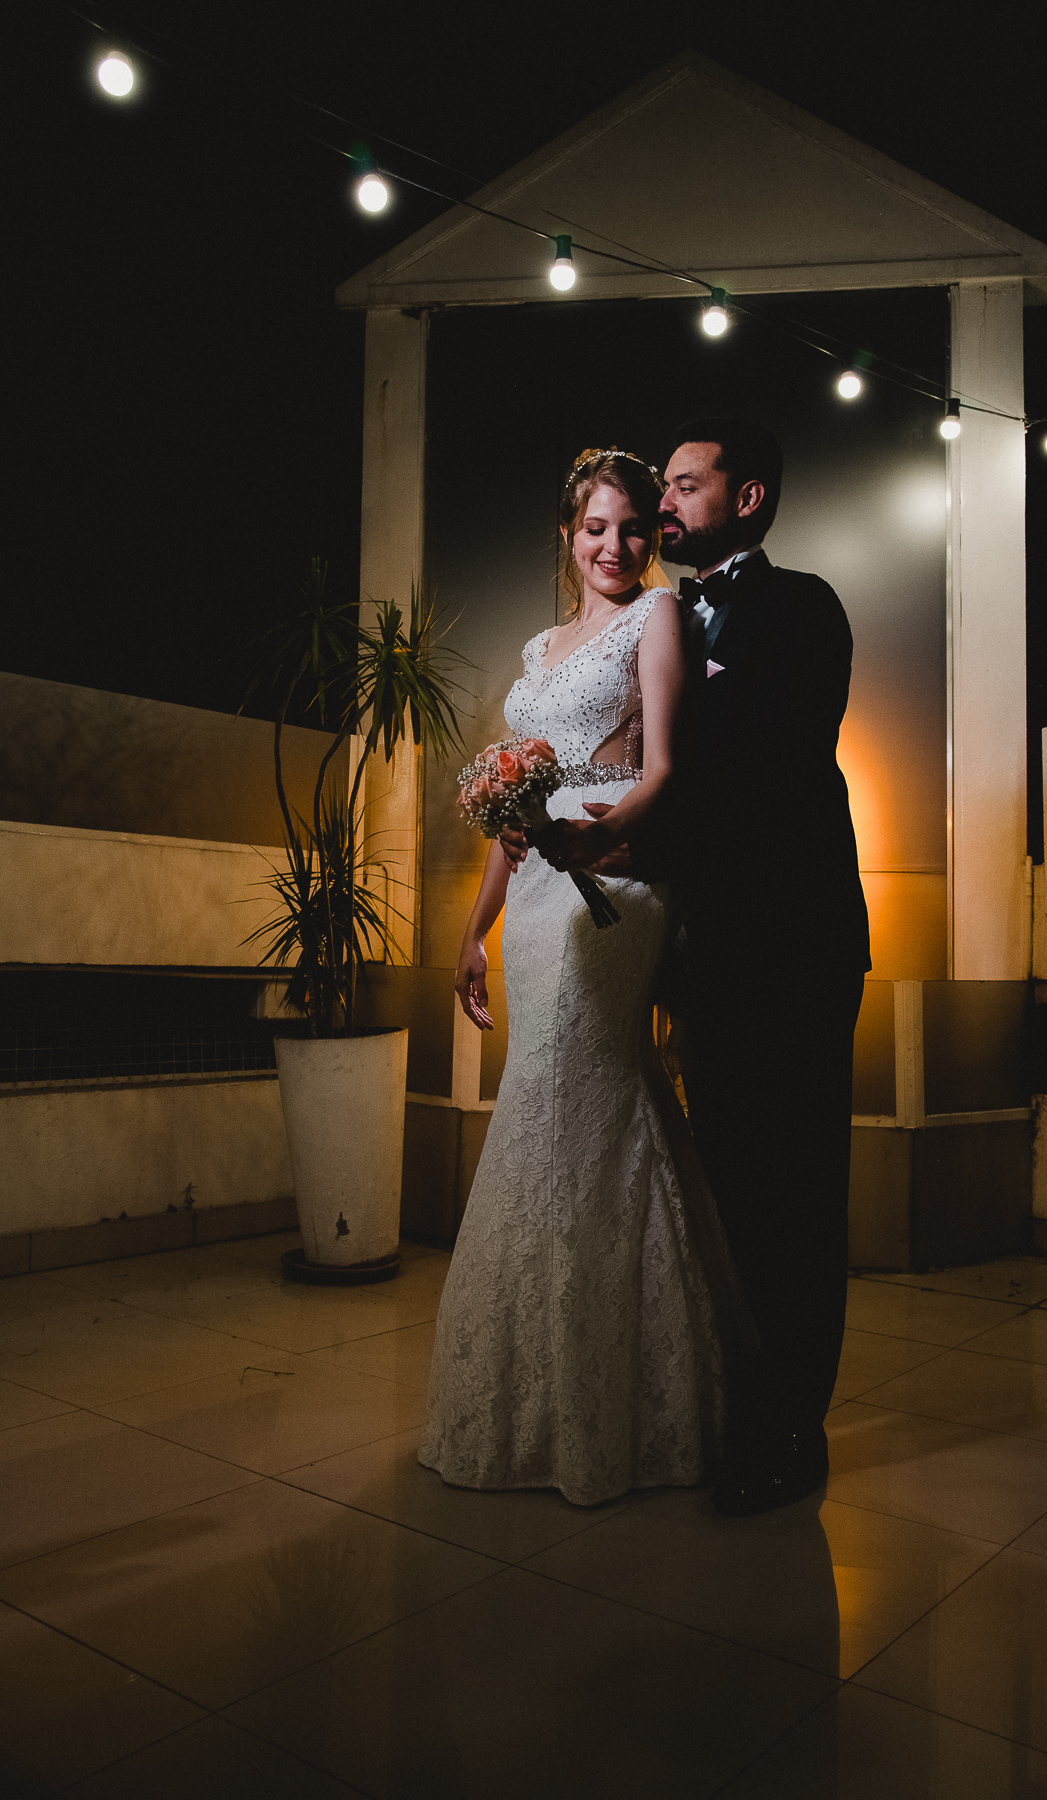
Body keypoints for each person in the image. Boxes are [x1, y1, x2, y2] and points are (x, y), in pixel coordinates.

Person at [419, 448, 747, 1508]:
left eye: (633, 527)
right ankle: (547, 1388)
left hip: (616, 878)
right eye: (595, 528)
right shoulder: (538, 648)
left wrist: (601, 840)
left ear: (651, 536)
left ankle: (617, 1399)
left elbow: (668, 769)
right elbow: (511, 819)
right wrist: (475, 930)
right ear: (567, 536)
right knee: (550, 1103)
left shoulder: (659, 618)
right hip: (534, 896)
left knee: (583, 1092)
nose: (615, 545)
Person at [655, 418, 871, 1515]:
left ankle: (795, 1425)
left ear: (746, 500)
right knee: (730, 1185)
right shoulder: (660, 621)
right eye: (662, 485)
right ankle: (742, 1399)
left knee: (799, 1189)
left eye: (686, 484)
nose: (665, 501)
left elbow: (770, 763)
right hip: (706, 955)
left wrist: (640, 802)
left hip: (797, 946)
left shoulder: (804, 608)